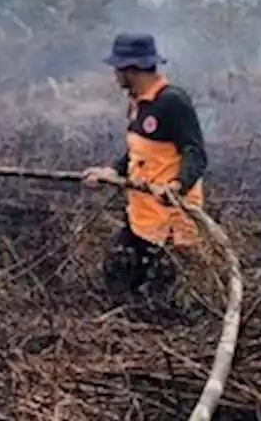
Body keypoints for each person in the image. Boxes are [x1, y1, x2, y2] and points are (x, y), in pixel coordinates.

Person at [81, 33, 208, 309]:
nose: (115, 76)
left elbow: (195, 153)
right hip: (142, 217)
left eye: (118, 69)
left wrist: (176, 186)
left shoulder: (172, 102)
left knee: (159, 301)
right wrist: (111, 172)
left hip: (169, 225)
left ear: (132, 69)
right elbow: (139, 153)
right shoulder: (138, 103)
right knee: (118, 278)